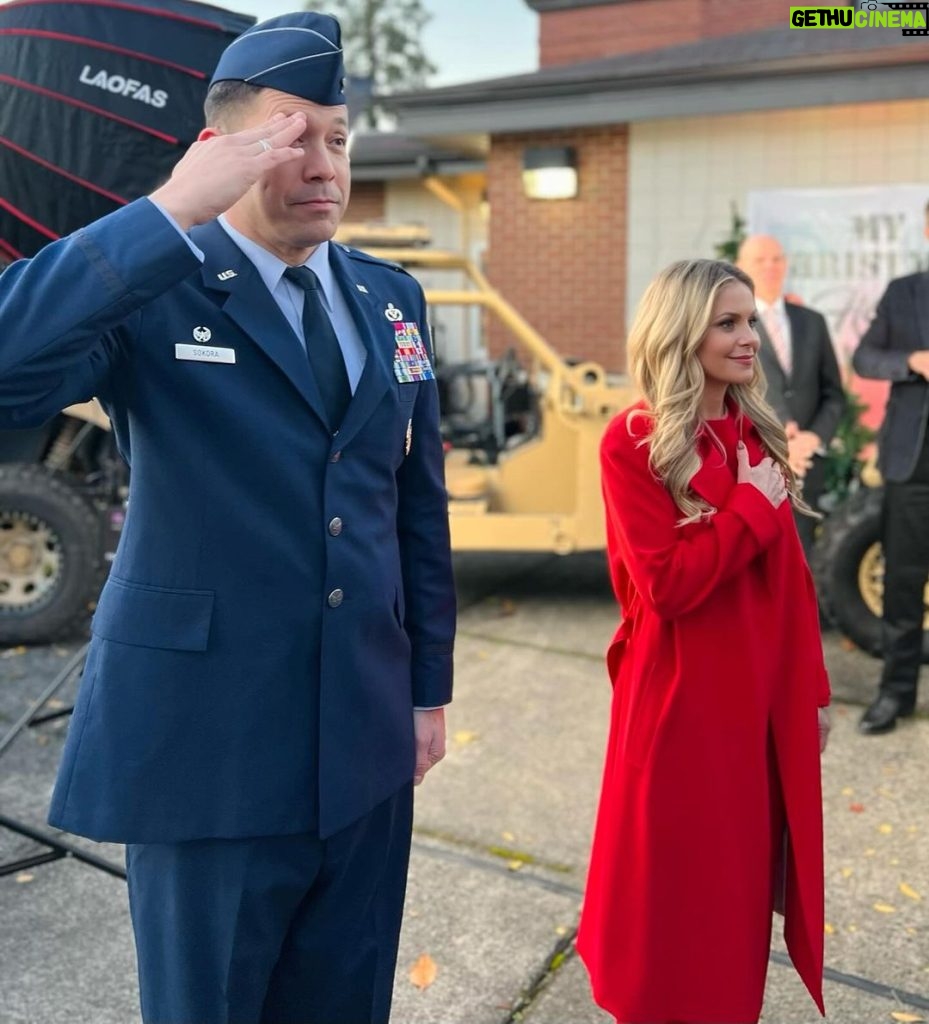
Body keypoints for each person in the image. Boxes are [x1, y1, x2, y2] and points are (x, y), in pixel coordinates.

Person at [0, 12, 455, 1024]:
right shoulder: (152, 286)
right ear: (220, 149)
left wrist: (427, 689)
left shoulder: (391, 300)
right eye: (288, 136)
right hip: (206, 755)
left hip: (366, 746)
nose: (321, 161)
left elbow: (415, 507)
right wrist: (164, 214)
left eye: (336, 137)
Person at [576, 259, 830, 1024]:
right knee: (668, 899)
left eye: (749, 320)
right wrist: (749, 509)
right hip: (680, 703)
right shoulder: (635, 441)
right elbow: (667, 587)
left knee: (733, 898)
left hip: (754, 704)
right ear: (680, 331)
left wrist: (811, 689)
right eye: (727, 322)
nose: (748, 337)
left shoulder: (756, 431)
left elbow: (790, 582)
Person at [851, 202, 929, 735]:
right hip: (913, 461)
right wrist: (912, 362)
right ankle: (895, 695)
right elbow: (863, 357)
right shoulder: (904, 292)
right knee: (903, 583)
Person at [736, 234, 845, 557]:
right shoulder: (729, 325)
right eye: (760, 260)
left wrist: (812, 437)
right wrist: (779, 436)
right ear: (741, 268)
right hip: (751, 463)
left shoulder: (812, 322)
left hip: (805, 465)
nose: (770, 266)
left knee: (800, 557)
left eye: (777, 259)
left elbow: (834, 394)